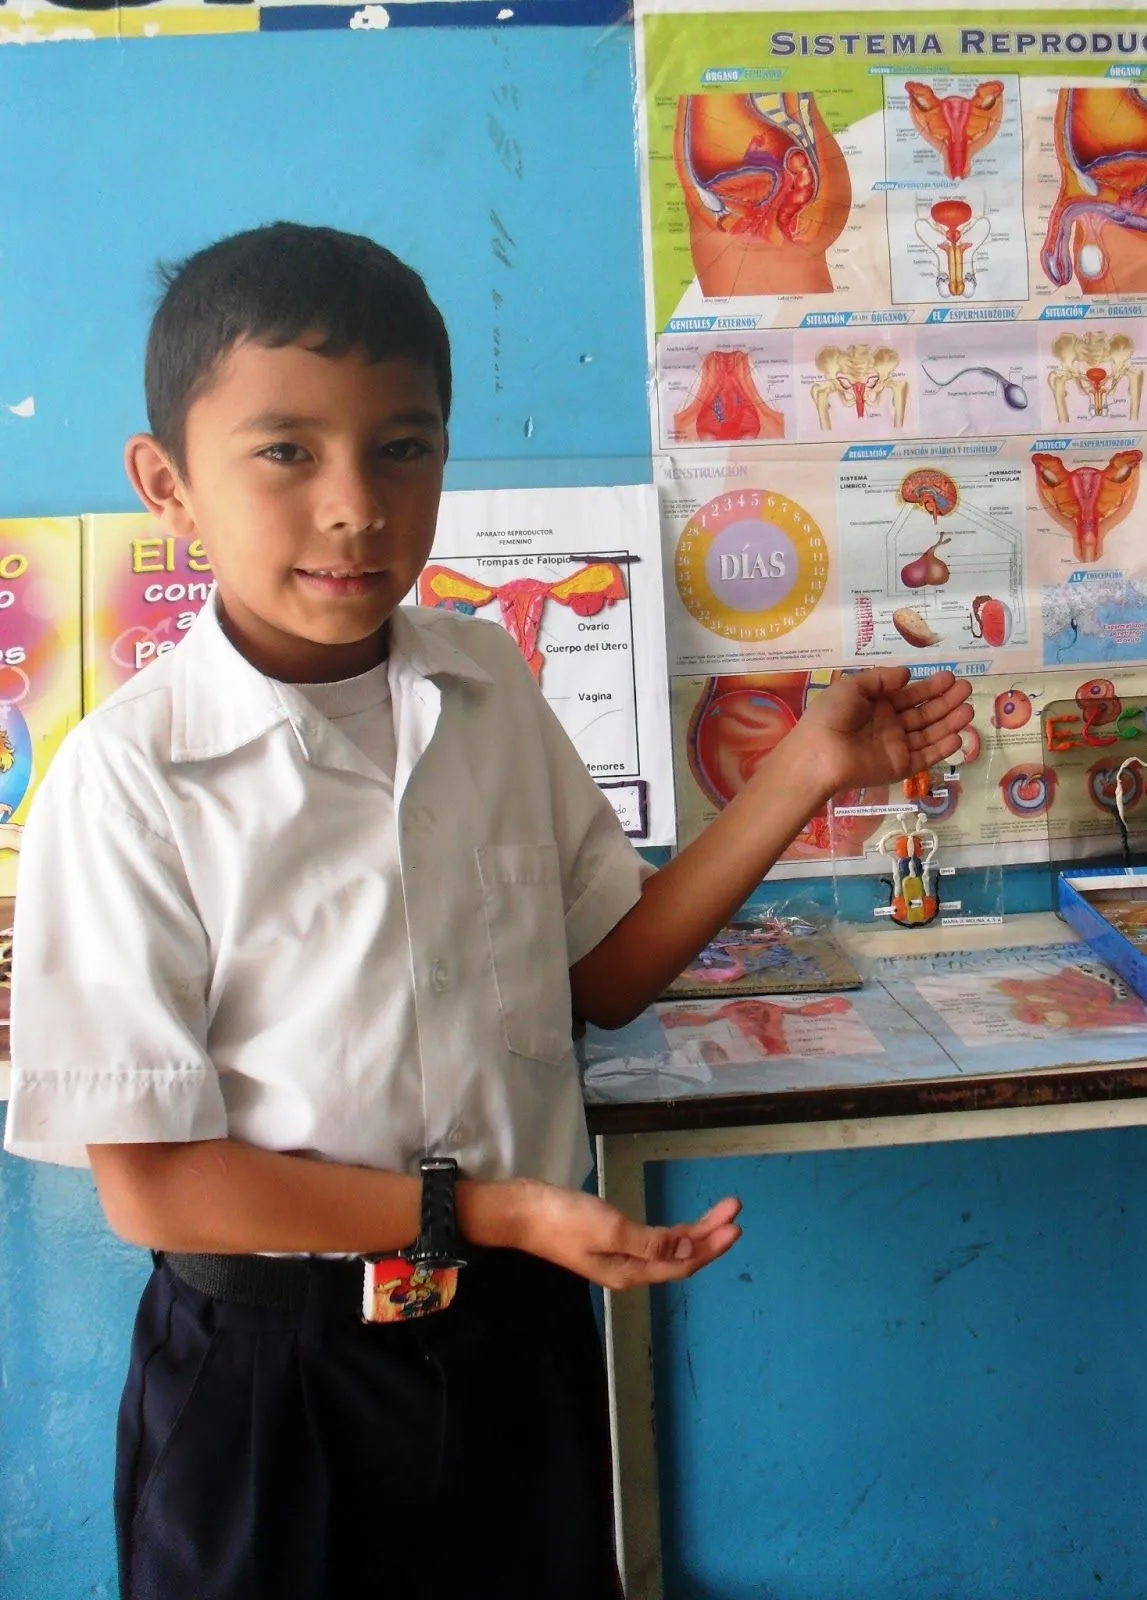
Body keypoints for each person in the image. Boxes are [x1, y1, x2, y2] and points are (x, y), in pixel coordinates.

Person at [2, 223, 973, 1600]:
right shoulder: (129, 781)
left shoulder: (486, 683)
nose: (355, 504)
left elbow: (605, 972)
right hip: (275, 1381)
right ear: (169, 484)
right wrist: (496, 1213)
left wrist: (806, 772)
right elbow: (153, 1181)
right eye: (287, 451)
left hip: (508, 1349)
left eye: (403, 447)